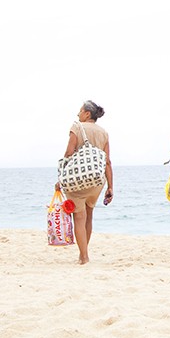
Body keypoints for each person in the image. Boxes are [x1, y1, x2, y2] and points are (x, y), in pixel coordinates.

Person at [57, 100, 113, 265]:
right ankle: (84, 252)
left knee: (79, 218)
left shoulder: (77, 127)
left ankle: (84, 256)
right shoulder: (104, 133)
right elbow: (107, 162)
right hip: (96, 181)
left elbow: (68, 153)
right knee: (89, 217)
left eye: (80, 111)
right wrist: (110, 186)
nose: (78, 114)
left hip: (77, 180)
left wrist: (61, 178)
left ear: (87, 113)